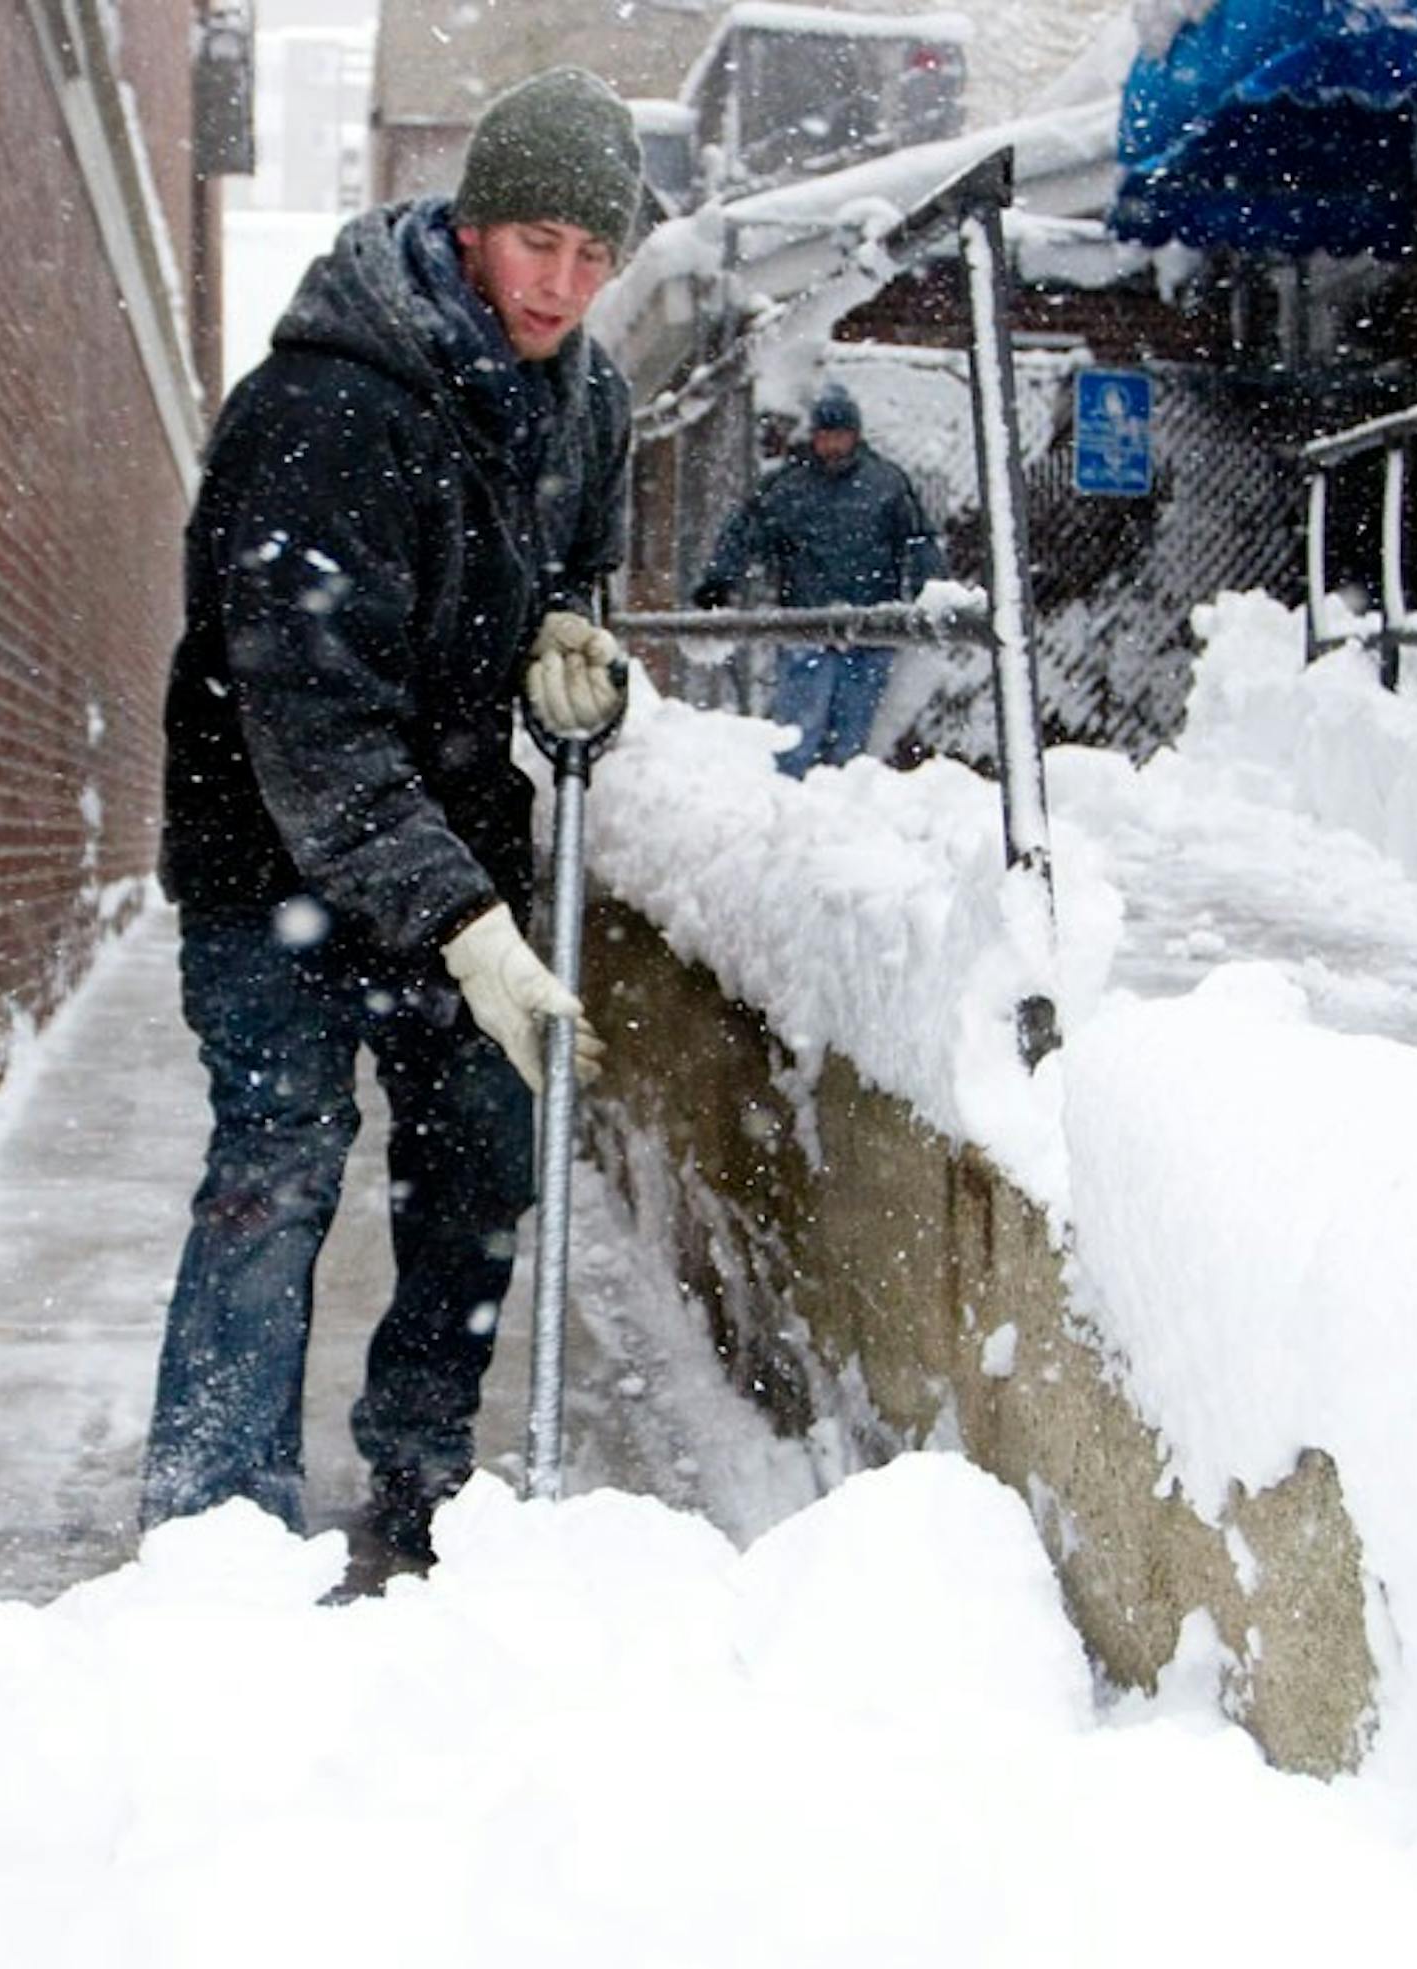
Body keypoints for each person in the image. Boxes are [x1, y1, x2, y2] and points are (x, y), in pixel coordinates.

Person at [143, 68, 643, 1563]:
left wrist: (569, 642)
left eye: (594, 254)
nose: (561, 283)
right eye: (536, 241)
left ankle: (421, 1489)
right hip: (271, 846)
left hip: (443, 834)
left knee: (481, 1148)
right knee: (280, 1159)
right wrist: (468, 927)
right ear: (476, 226)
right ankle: (211, 1530)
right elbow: (309, 719)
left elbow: (573, 576)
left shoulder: (583, 403)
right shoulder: (321, 407)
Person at [691, 383, 946, 776]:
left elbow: (917, 541)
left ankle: (837, 802)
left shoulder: (886, 485)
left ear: (855, 436)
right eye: (824, 435)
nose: (831, 444)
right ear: (813, 437)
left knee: (852, 735)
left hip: (869, 624)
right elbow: (746, 532)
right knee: (797, 731)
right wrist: (721, 580)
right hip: (806, 623)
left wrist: (931, 590)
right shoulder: (790, 487)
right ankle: (793, 800)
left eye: (839, 435)